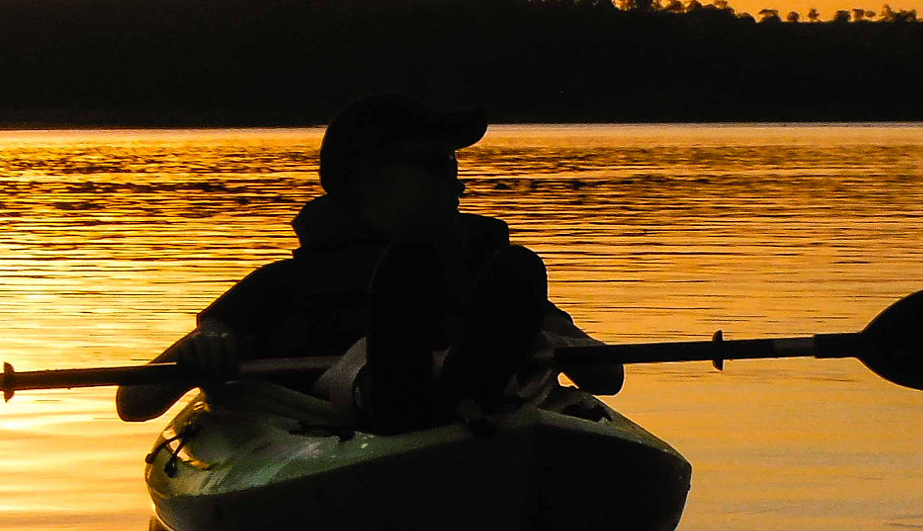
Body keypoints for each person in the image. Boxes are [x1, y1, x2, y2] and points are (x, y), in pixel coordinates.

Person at [116, 93, 623, 429]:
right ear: (367, 180)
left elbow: (607, 375)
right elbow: (134, 402)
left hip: (494, 401)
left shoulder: (490, 276)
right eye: (434, 166)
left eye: (453, 164)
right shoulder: (285, 286)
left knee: (517, 278)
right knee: (368, 353)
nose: (458, 182)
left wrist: (554, 340)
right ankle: (397, 389)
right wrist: (203, 350)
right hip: (348, 409)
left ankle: (467, 384)